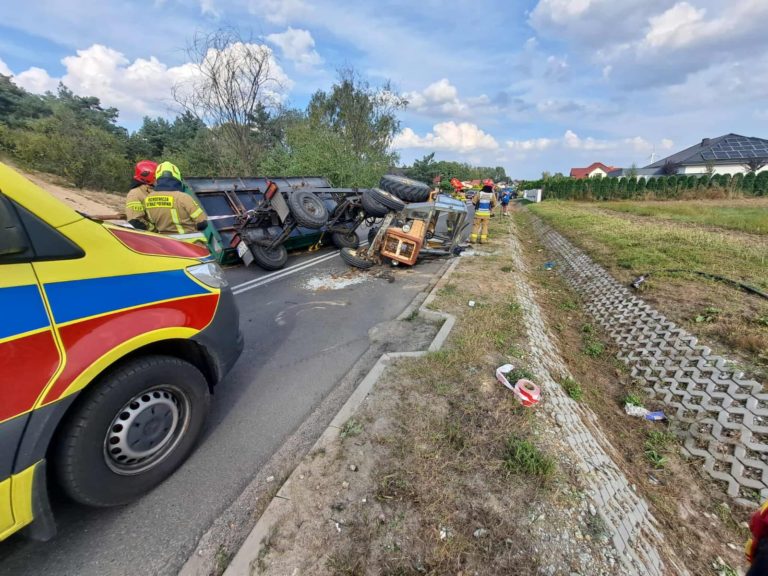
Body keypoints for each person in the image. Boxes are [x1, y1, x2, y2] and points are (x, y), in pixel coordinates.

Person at [144, 161, 208, 235]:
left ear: (157, 177)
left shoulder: (148, 199)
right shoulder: (183, 198)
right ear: (176, 176)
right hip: (188, 243)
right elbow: (202, 223)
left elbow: (150, 224)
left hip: (164, 243)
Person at [126, 160, 157, 230]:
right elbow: (135, 220)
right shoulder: (135, 194)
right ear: (148, 177)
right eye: (156, 176)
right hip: (151, 236)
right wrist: (155, 230)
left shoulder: (153, 190)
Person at [470, 179, 497, 243]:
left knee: (476, 226)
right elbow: (494, 204)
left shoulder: (479, 193)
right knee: (485, 227)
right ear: (491, 187)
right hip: (486, 214)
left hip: (478, 214)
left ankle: (473, 239)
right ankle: (483, 240)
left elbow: (474, 202)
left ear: (484, 186)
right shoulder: (492, 195)